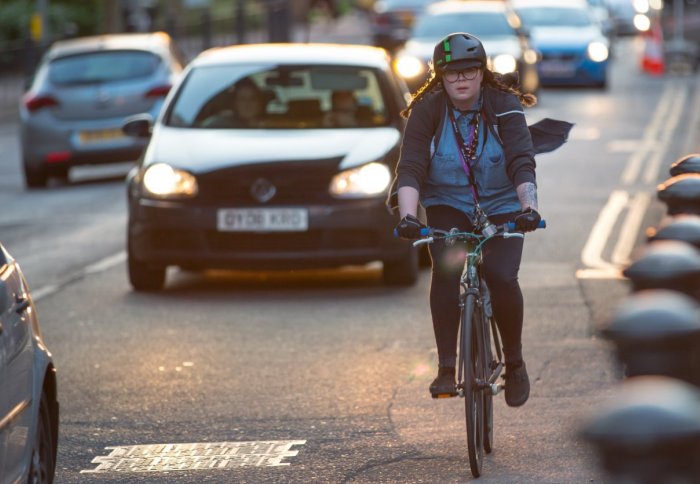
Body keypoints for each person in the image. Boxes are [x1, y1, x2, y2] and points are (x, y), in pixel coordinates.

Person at [393, 32, 542, 407]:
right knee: (446, 269)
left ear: (482, 72)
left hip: (503, 203)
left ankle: (515, 362)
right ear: (439, 77)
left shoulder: (503, 104)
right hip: (448, 202)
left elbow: (522, 161)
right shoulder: (428, 107)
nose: (461, 80)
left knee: (502, 276)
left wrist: (529, 209)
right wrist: (410, 217)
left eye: (469, 71)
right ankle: (447, 366)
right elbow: (409, 168)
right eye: (451, 73)